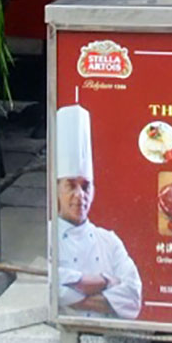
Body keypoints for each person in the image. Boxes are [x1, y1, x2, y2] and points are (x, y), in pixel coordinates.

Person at [56, 104, 142, 318]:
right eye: (70, 185)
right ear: (56, 189)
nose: (80, 195)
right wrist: (105, 281)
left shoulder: (109, 241)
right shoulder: (48, 238)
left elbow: (133, 298)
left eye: (86, 186)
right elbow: (48, 287)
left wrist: (72, 293)